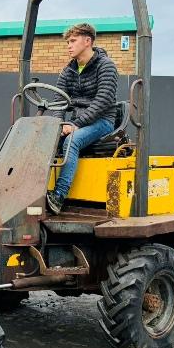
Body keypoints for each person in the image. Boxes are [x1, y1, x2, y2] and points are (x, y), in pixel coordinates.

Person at [36, 23, 119, 214]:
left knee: (71, 142)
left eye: (73, 41)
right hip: (75, 122)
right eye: (68, 42)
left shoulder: (106, 66)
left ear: (87, 41)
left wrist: (75, 124)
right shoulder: (68, 70)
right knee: (46, 140)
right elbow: (58, 101)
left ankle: (58, 196)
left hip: (102, 121)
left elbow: (103, 100)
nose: (69, 45)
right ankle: (36, 193)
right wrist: (60, 124)